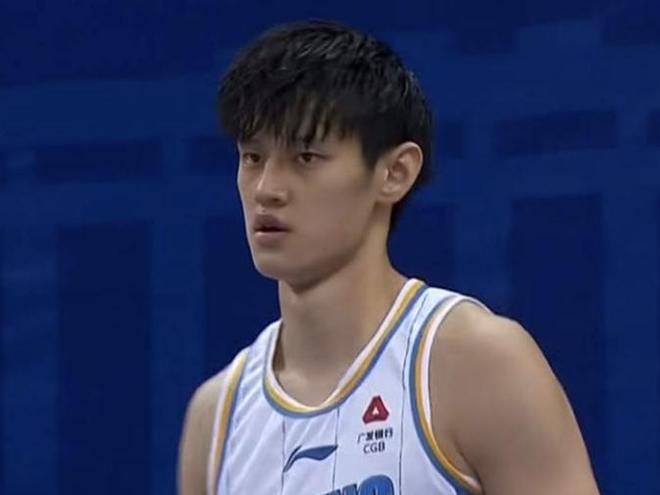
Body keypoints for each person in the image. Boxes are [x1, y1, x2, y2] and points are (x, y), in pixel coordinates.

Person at [178, 20, 600, 495]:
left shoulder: (478, 364)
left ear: (395, 173)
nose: (266, 189)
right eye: (252, 157)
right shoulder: (216, 419)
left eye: (306, 157)